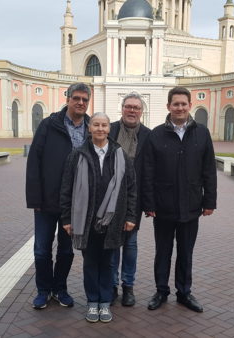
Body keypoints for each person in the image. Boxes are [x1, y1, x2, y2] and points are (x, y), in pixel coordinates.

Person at [142, 86, 217, 313]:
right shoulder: (155, 135)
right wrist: (149, 204)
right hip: (163, 207)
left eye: (184, 104)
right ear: (168, 107)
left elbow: (209, 170)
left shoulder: (202, 133)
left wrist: (209, 201)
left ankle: (184, 292)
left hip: (191, 205)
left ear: (189, 106)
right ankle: (161, 291)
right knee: (162, 251)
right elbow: (147, 172)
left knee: (186, 252)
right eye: (176, 104)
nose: (180, 108)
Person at [60, 112, 137, 323]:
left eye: (104, 125)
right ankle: (93, 302)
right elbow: (66, 189)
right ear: (89, 128)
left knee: (109, 264)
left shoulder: (120, 154)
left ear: (109, 129)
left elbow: (131, 188)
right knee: (90, 263)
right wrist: (67, 219)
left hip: (114, 220)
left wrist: (131, 216)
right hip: (86, 220)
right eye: (96, 125)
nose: (100, 129)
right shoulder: (77, 154)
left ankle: (105, 302)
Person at [25, 82, 92, 309]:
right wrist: (34, 198)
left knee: (66, 250)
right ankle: (43, 290)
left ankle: (60, 289)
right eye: (77, 98)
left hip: (75, 204)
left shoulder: (92, 128)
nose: (81, 103)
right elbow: (34, 162)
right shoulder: (49, 125)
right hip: (47, 200)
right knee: (42, 248)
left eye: (85, 99)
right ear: (68, 99)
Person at [109, 92, 151, 306]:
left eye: (136, 107)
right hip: (110, 197)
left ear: (141, 111)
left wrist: (150, 202)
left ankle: (128, 286)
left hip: (135, 197)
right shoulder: (110, 130)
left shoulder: (148, 135)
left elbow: (152, 171)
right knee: (113, 243)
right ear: (122, 109)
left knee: (131, 244)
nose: (132, 110)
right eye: (128, 106)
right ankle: (112, 285)